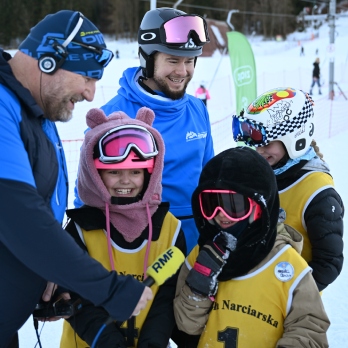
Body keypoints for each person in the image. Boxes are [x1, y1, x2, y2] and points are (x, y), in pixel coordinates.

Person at [0, 10, 152, 347]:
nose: (90, 94)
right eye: (87, 77)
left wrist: (47, 273)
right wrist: (107, 288)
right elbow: (21, 218)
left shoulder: (34, 108)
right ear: (49, 61)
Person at [74, 7, 214, 256]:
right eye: (172, 60)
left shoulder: (196, 109)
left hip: (195, 240)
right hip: (141, 242)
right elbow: (88, 191)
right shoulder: (114, 115)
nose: (182, 71)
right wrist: (78, 248)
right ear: (147, 59)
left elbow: (209, 176)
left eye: (189, 61)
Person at [174, 146, 330, 347]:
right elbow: (186, 326)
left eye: (234, 204)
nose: (221, 214)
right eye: (212, 203)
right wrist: (196, 291)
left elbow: (310, 329)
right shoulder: (200, 256)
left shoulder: (288, 267)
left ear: (261, 205)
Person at [60, 106, 186, 347]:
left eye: (135, 172)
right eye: (114, 172)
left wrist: (153, 342)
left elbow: (166, 298)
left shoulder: (170, 230)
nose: (126, 180)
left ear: (150, 173)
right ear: (95, 173)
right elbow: (75, 300)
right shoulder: (80, 230)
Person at [232, 87, 344, 292]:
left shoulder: (318, 193)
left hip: (289, 303)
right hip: (253, 295)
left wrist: (294, 295)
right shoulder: (262, 174)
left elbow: (329, 262)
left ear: (294, 138)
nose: (259, 150)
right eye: (255, 142)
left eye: (267, 142)